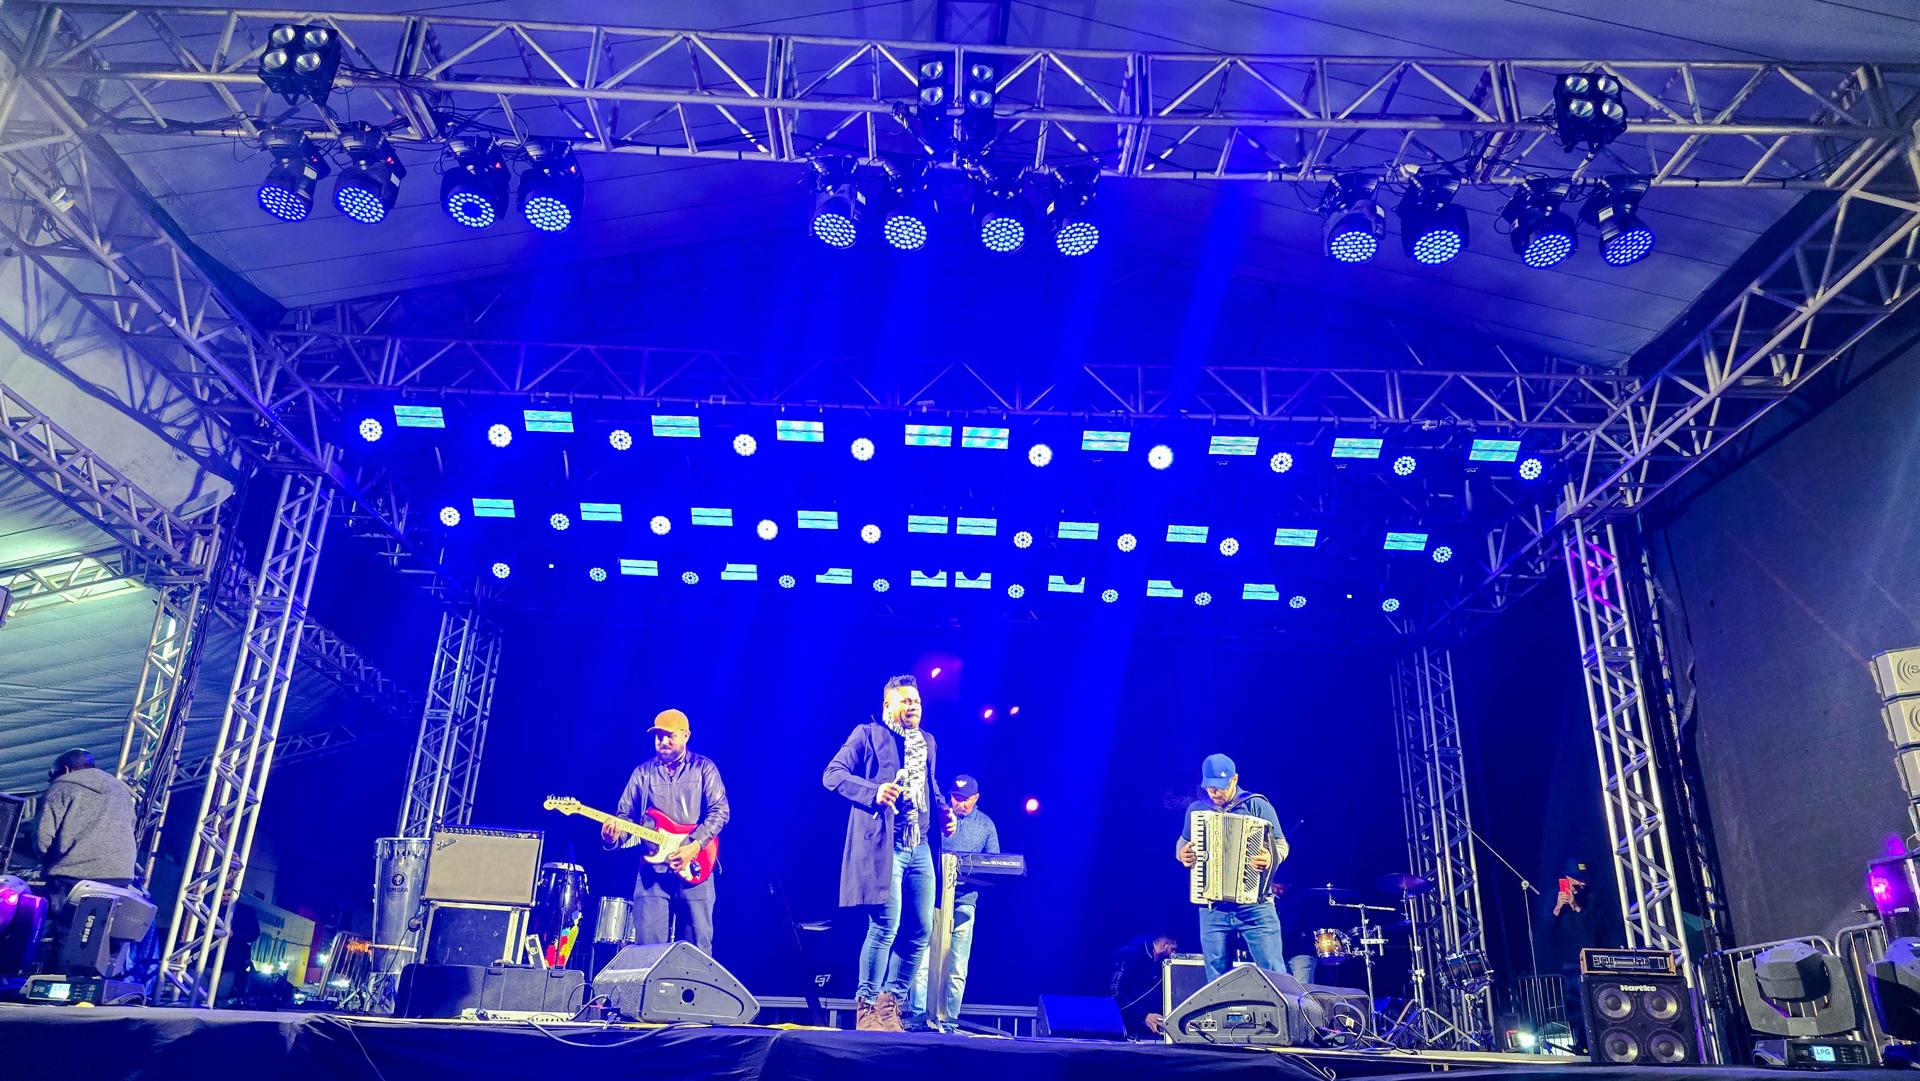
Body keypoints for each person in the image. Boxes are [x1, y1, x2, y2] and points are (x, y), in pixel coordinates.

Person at [822, 674, 955, 1032]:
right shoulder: (867, 734)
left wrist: (944, 811)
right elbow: (832, 775)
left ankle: (889, 1004)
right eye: (905, 701)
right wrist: (874, 792)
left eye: (917, 701)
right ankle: (866, 1005)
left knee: (921, 929)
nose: (913, 707)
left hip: (920, 845)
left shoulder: (927, 742)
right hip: (884, 845)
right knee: (885, 926)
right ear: (887, 705)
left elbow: (929, 785)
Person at [602, 709, 729, 954]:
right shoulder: (642, 773)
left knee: (697, 951)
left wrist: (694, 846)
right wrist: (613, 837)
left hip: (696, 866)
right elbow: (624, 818)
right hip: (652, 873)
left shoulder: (704, 768)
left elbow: (720, 811)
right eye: (659, 736)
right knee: (647, 951)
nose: (663, 741)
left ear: (686, 736)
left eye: (670, 735)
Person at [1175, 753, 1289, 981]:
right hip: (1213, 908)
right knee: (1217, 980)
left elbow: (1281, 844)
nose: (1215, 793)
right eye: (1210, 788)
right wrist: (1182, 854)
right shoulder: (1197, 810)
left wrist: (1270, 857)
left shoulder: (1256, 804)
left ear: (1234, 779)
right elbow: (1182, 841)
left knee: (1274, 973)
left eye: (1220, 788)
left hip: (1255, 906)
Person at [909, 773, 1000, 1032]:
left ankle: (948, 1021)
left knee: (957, 966)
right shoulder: (937, 819)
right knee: (922, 962)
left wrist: (968, 874)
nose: (959, 803)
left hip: (964, 902)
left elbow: (994, 867)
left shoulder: (986, 825)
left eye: (965, 799)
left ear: (976, 798)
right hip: (930, 898)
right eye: (955, 798)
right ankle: (918, 1017)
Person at [34, 749, 136, 909]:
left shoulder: (61, 786)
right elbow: (131, 827)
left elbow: (42, 837)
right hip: (120, 878)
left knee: (51, 919)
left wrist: (47, 864)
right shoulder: (121, 789)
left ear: (66, 770)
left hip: (74, 878)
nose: (51, 780)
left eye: (52, 775)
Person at [1112, 932, 1179, 1039]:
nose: (1174, 953)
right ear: (1163, 944)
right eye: (1173, 949)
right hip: (1128, 1025)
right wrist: (1144, 1015)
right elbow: (1118, 992)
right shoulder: (1133, 956)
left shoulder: (1162, 963)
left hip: (1153, 1026)